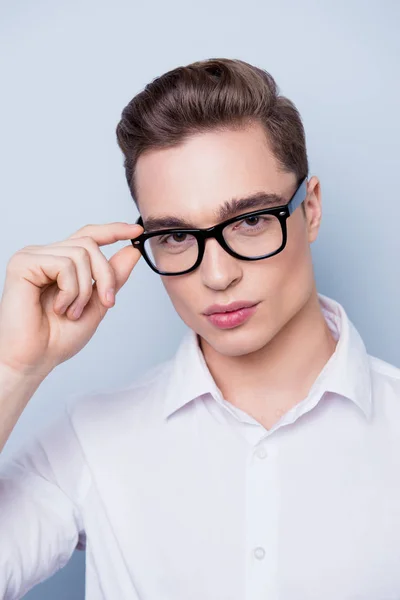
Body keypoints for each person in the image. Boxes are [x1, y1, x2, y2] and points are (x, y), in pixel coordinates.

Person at [0, 57, 399, 600]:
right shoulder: (91, 439)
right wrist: (13, 367)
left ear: (310, 209)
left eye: (252, 220)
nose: (217, 275)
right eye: (176, 236)